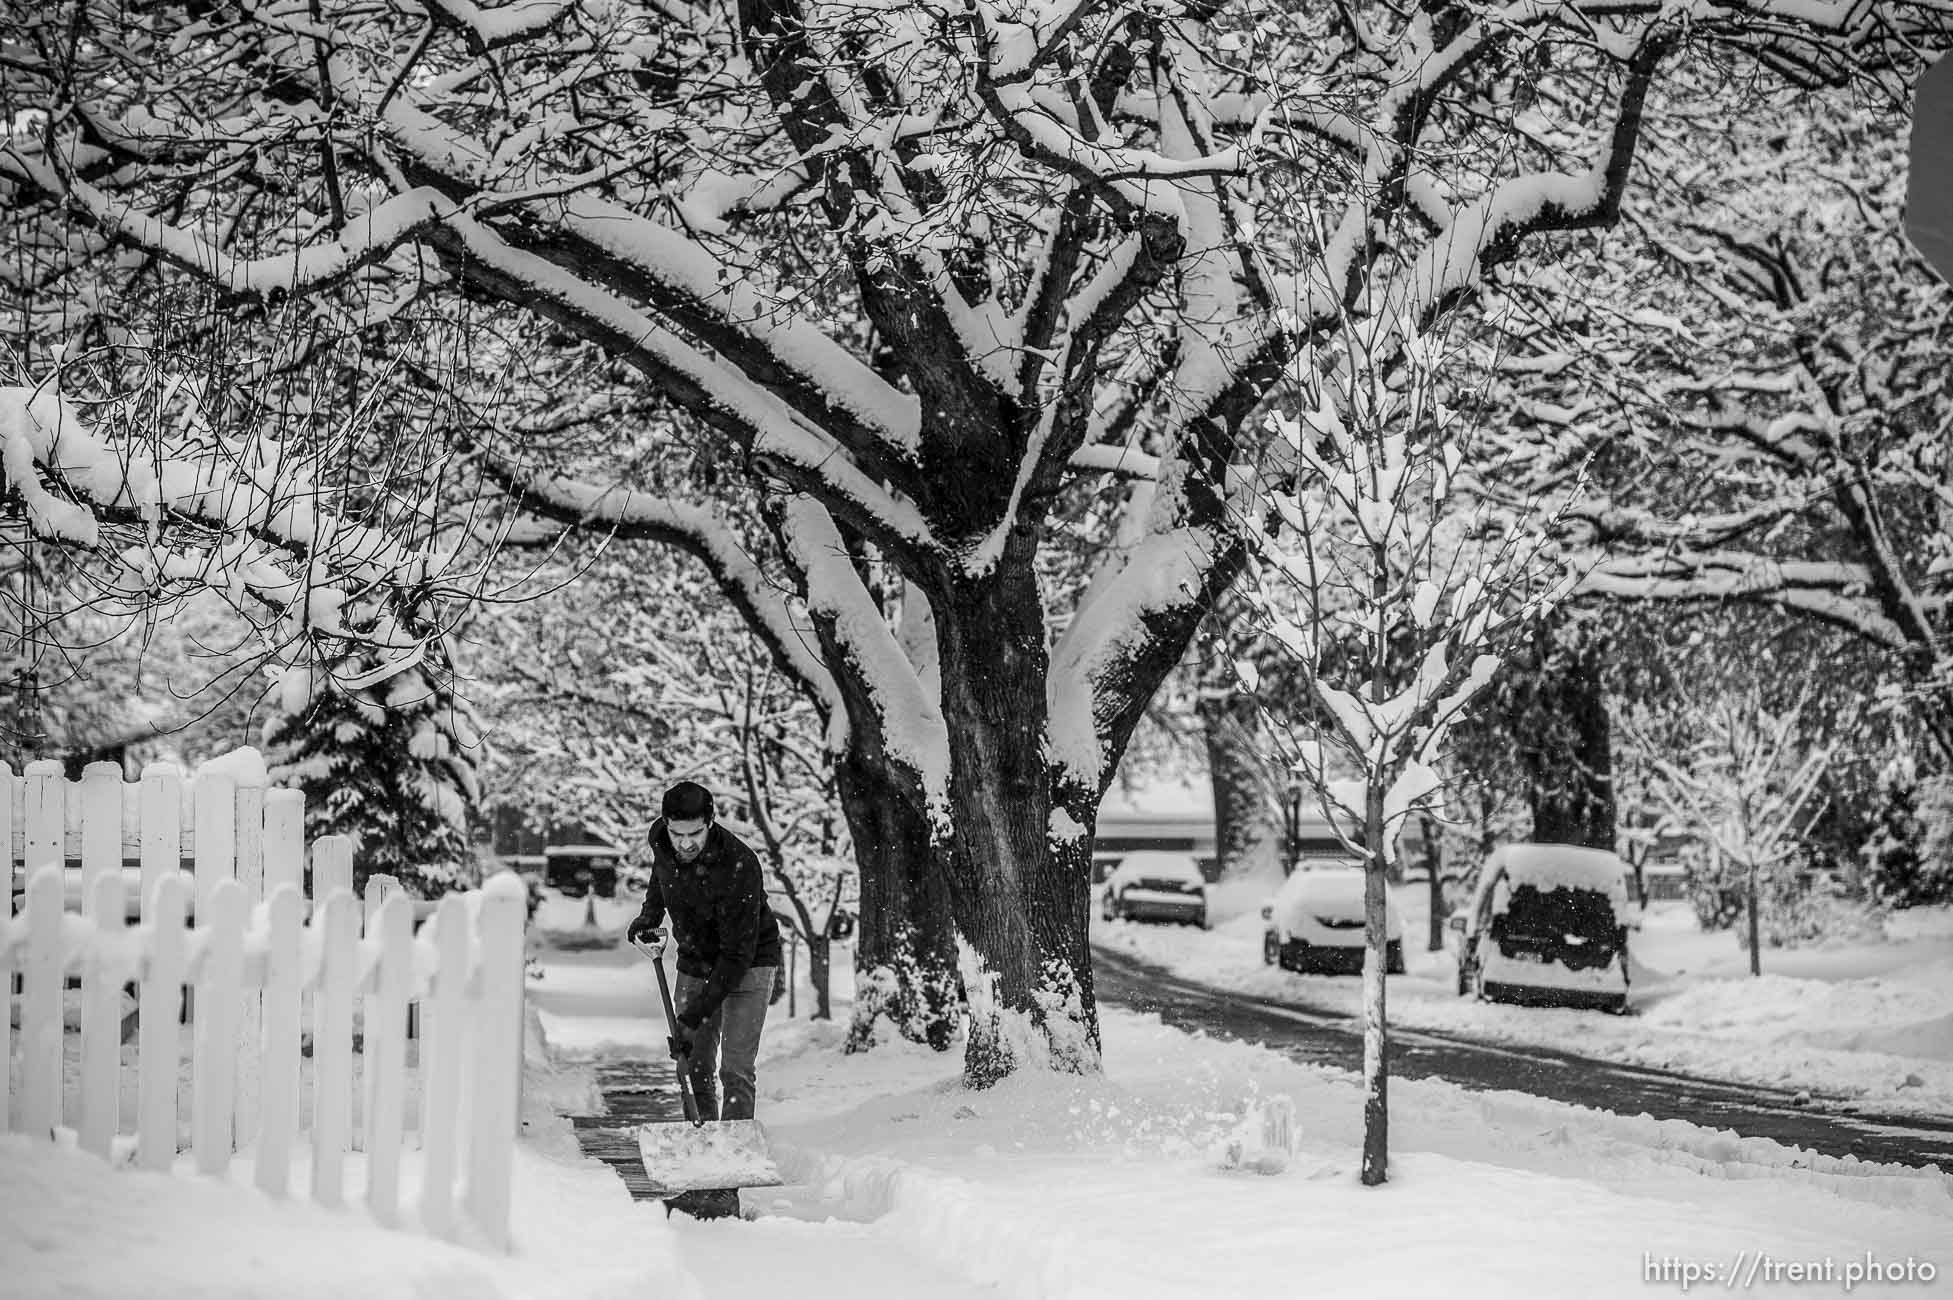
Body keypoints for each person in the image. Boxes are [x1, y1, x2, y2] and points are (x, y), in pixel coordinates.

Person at [626, 780, 783, 1127]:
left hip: (749, 963)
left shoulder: (738, 865)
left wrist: (692, 1018)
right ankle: (702, 1149)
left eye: (694, 834)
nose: (684, 843)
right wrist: (649, 914)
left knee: (735, 1070)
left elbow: (736, 958)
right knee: (693, 1063)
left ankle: (731, 1163)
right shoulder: (662, 841)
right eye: (676, 833)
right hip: (695, 958)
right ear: (665, 825)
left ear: (710, 823)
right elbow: (662, 873)